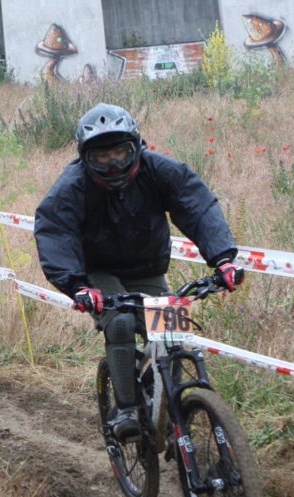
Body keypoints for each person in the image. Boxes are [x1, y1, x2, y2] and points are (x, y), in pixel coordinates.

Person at [34, 103, 241, 442]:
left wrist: (224, 260)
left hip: (147, 268)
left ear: (137, 146)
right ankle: (127, 409)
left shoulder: (159, 170)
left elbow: (198, 207)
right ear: (86, 157)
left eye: (120, 152)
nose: (113, 163)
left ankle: (171, 404)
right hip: (99, 274)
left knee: (173, 328)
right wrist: (77, 286)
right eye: (103, 157)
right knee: (120, 322)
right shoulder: (72, 187)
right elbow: (55, 232)